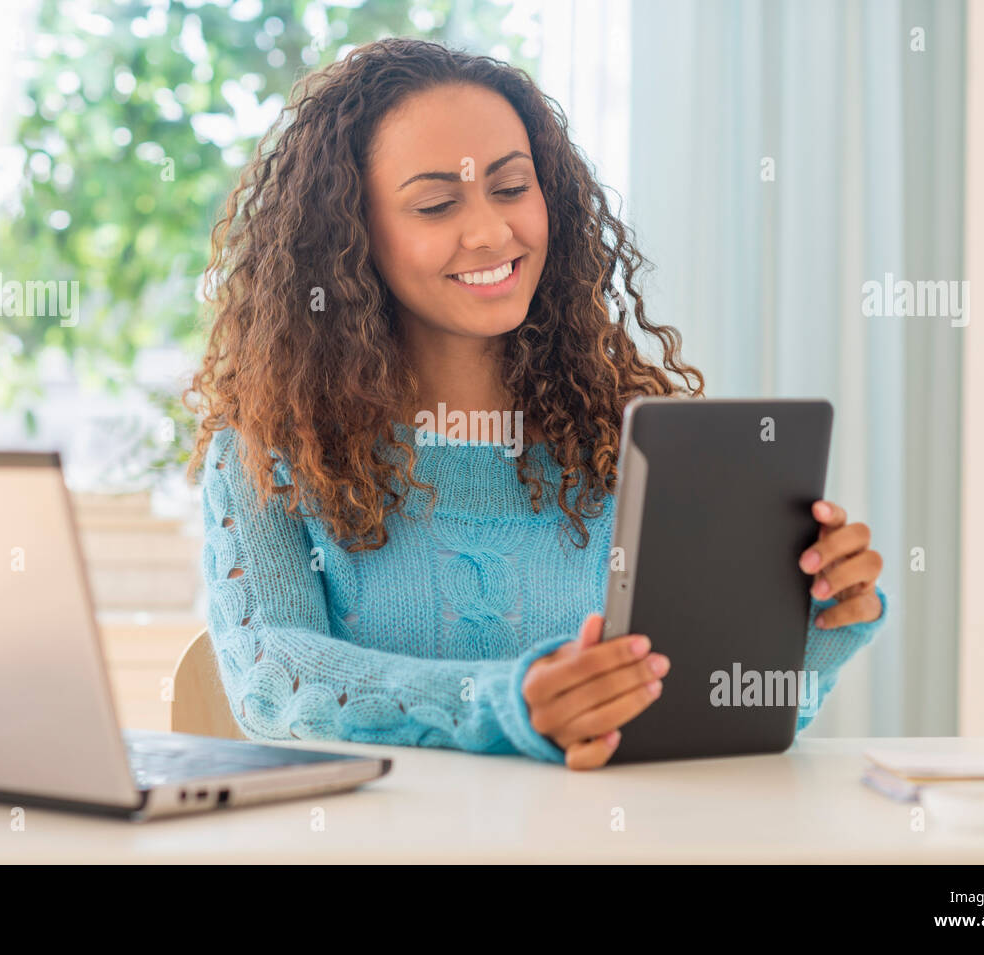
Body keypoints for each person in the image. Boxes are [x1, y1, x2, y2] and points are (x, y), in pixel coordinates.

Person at [184, 37, 886, 770]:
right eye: (435, 203)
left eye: (513, 188)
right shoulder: (272, 454)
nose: (492, 231)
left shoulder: (631, 443)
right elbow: (273, 676)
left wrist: (822, 618)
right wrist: (506, 704)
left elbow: (694, 709)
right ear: (350, 236)